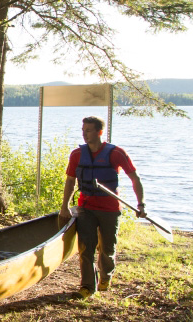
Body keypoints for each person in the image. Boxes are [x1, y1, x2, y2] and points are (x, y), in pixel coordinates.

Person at [59, 116, 146, 298]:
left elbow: (135, 178)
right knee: (85, 248)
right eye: (83, 130)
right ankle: (88, 286)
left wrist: (141, 204)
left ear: (99, 132)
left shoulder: (116, 153)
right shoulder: (76, 155)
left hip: (110, 209)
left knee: (107, 249)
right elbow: (70, 180)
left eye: (88, 130)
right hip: (86, 207)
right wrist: (65, 206)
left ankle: (105, 276)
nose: (84, 134)